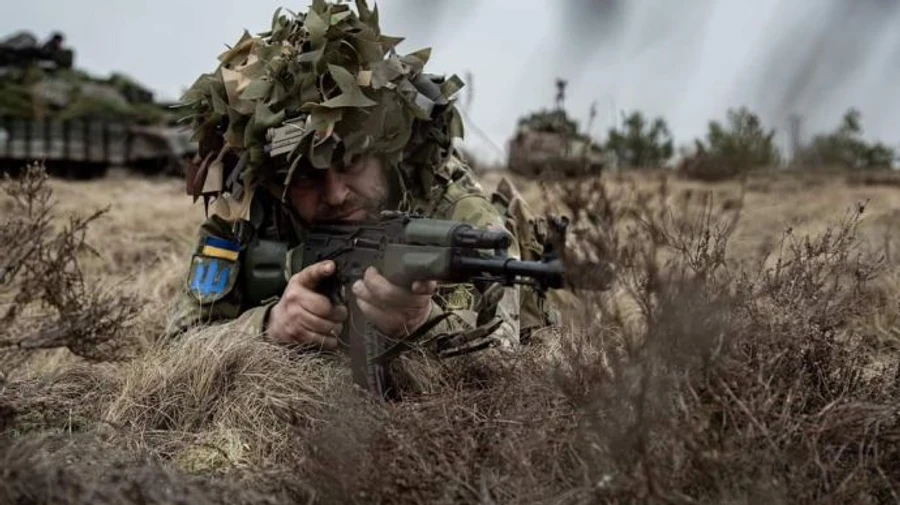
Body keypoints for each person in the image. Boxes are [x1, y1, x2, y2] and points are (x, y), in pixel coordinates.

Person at [165, 0, 559, 362]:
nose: (336, 194)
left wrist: (421, 325)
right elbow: (177, 352)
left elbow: (501, 363)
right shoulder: (245, 216)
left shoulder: (454, 211)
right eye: (305, 177)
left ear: (386, 151)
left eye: (352, 162)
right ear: (272, 182)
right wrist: (268, 327)